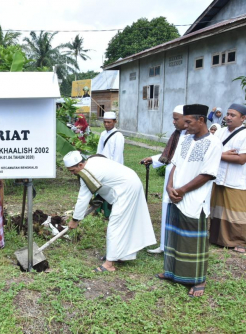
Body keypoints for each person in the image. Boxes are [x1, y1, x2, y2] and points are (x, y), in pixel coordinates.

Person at [155, 104, 222, 298]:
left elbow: (208, 174)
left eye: (189, 122)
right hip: (176, 194)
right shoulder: (185, 139)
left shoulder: (213, 143)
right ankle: (172, 272)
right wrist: (170, 187)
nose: (185, 125)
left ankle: (199, 279)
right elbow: (175, 165)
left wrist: (183, 190)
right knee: (174, 236)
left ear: (201, 120)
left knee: (193, 241)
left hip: (195, 198)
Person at [64, 151, 156, 272]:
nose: (72, 173)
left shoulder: (86, 173)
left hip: (127, 189)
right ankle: (120, 255)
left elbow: (82, 199)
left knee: (115, 225)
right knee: (123, 224)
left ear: (80, 165)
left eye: (72, 170)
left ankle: (109, 264)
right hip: (128, 183)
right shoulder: (91, 161)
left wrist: (75, 220)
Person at [141, 105, 187, 254]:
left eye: (176, 119)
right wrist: (153, 159)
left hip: (183, 180)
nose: (173, 122)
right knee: (166, 209)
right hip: (170, 177)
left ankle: (176, 247)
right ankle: (164, 246)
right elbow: (170, 156)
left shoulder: (192, 137)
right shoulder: (177, 134)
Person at [209, 103, 246, 254]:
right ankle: (218, 239)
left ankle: (240, 242)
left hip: (236, 179)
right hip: (218, 177)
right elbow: (209, 151)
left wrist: (218, 154)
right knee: (217, 210)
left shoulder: (244, 134)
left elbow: (241, 159)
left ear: (243, 118)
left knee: (236, 212)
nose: (228, 117)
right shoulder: (220, 132)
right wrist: (224, 154)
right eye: (228, 114)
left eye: (233, 115)